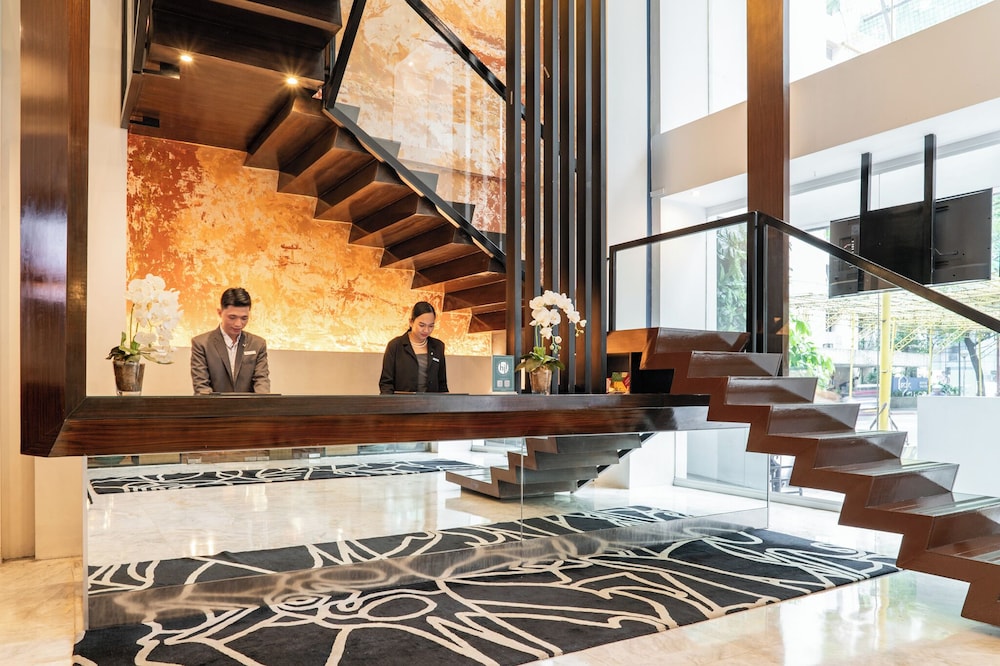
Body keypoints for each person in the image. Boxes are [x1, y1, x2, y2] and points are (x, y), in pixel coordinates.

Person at [191, 287, 270, 394]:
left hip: (249, 404)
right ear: (220, 313)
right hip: (214, 404)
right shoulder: (202, 344)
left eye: (244, 318)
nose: (238, 324)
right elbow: (201, 386)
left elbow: (262, 380)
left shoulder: (257, 344)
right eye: (232, 317)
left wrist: (263, 401)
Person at [379, 301, 448, 394]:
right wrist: (390, 402)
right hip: (403, 402)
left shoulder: (438, 346)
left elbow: (442, 384)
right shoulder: (395, 346)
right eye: (422, 325)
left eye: (431, 326)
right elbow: (386, 384)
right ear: (411, 322)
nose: (426, 330)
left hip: (431, 402)